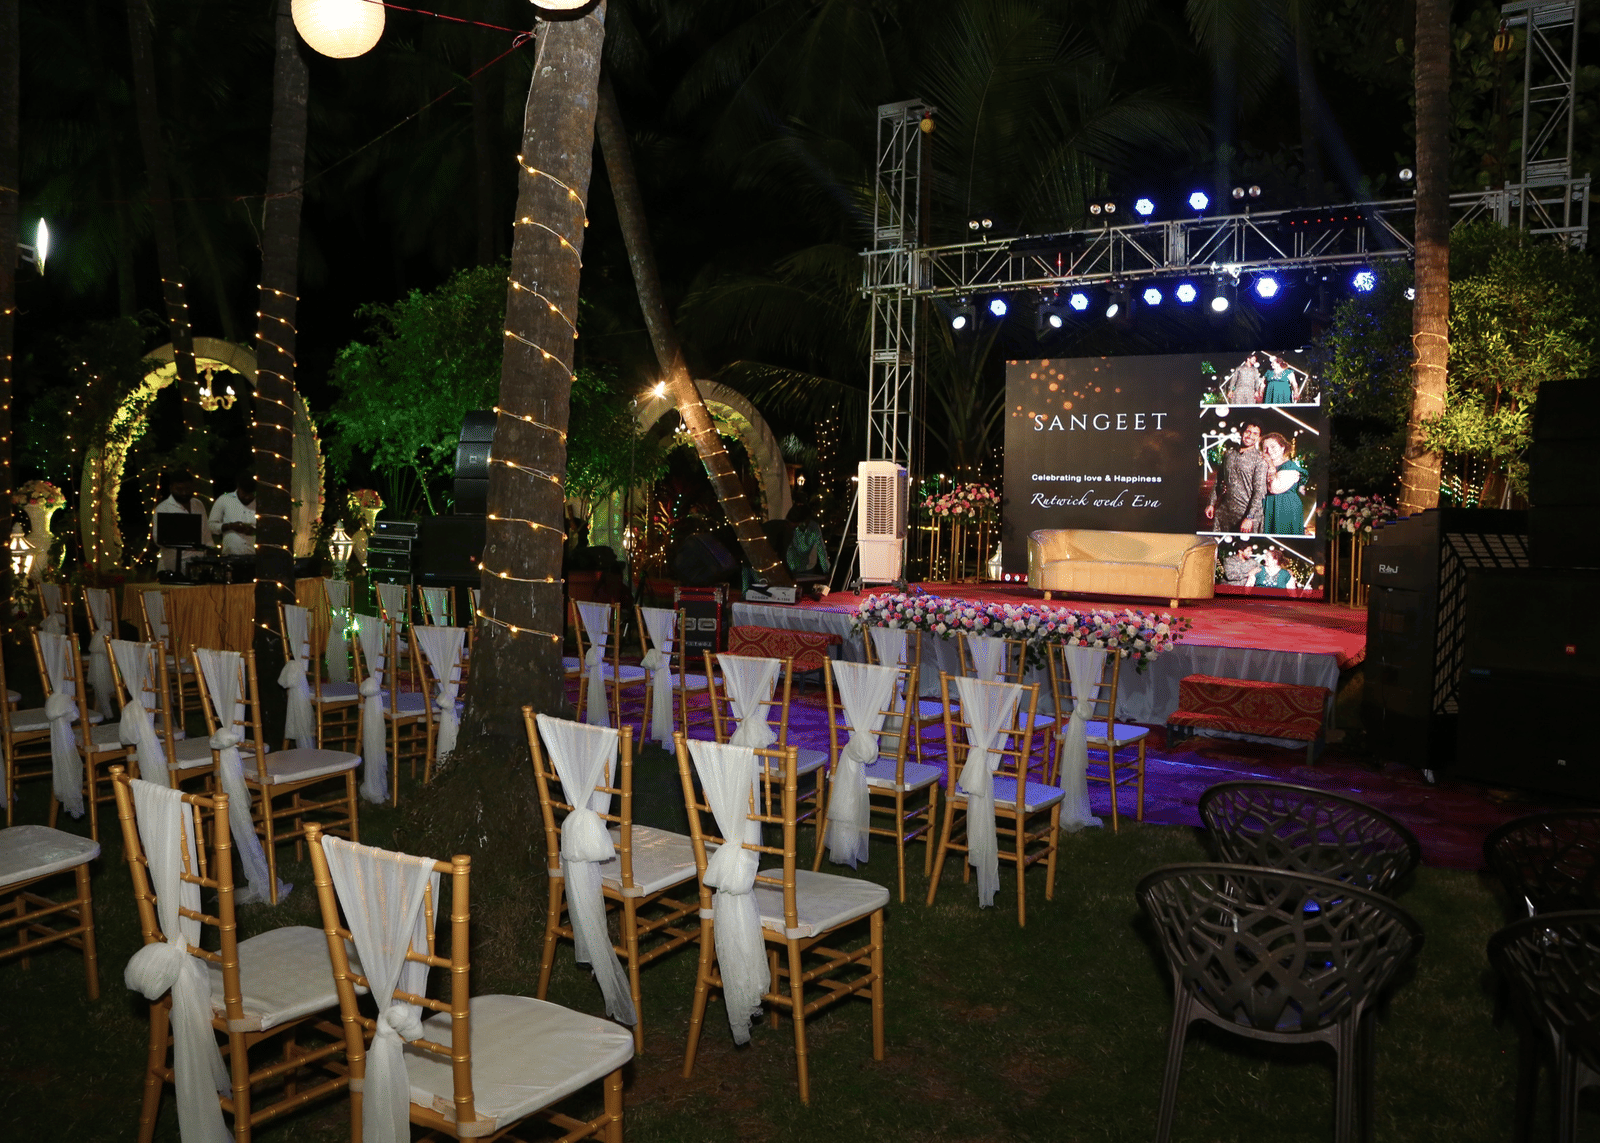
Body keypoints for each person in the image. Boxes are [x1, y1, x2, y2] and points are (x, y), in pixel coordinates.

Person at [1205, 422, 1269, 534]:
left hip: (1247, 516)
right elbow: (1218, 481)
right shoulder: (1229, 454)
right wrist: (1211, 503)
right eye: (1248, 432)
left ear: (1259, 437)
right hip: (1225, 513)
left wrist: (1250, 517)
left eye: (1255, 433)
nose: (1250, 436)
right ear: (1241, 432)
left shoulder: (1260, 459)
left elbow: (1259, 492)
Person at [152, 469, 212, 574]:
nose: (184, 493)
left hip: (198, 566)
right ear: (171, 488)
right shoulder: (163, 508)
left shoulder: (198, 504)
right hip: (173, 567)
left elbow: (206, 533)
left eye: (188, 489)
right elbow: (158, 539)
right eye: (179, 489)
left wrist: (209, 551)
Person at [1259, 432, 1306, 535]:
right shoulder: (1262, 466)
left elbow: (1274, 488)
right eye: (1265, 448)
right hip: (1268, 507)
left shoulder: (1289, 468)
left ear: (1282, 447)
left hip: (1285, 509)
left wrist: (1271, 466)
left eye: (1273, 446)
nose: (1269, 451)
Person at [208, 473, 258, 557]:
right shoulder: (224, 500)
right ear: (238, 488)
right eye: (244, 494)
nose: (247, 497)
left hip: (256, 557)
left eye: (251, 494)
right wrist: (230, 526)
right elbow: (210, 526)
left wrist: (254, 531)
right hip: (230, 556)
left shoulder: (261, 503)